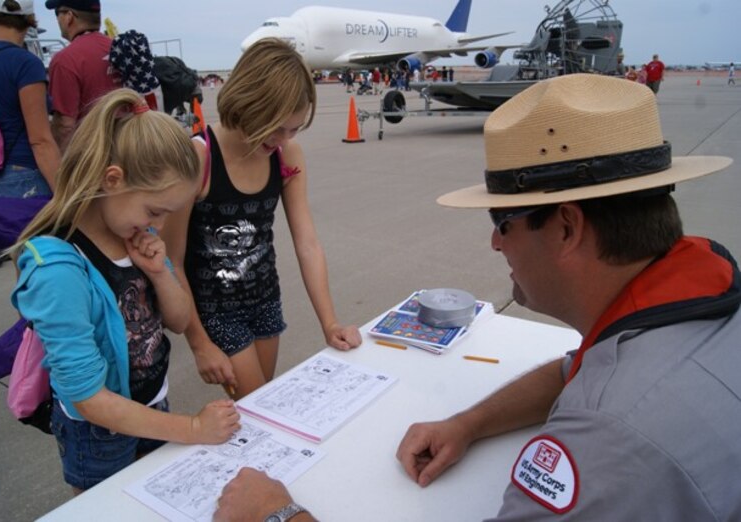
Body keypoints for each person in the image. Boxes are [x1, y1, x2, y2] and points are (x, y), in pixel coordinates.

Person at [213, 74, 740, 521]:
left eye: (501, 221)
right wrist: (469, 423)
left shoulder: (610, 437)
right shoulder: (698, 297)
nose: (493, 242)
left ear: (566, 228)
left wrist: (279, 515)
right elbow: (573, 369)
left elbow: (601, 408)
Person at [10, 88, 241, 493]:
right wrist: (190, 427)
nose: (158, 225)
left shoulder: (137, 237)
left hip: (153, 402)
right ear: (112, 179)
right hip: (98, 433)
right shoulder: (59, 270)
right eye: (154, 211)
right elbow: (88, 398)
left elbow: (179, 319)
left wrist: (160, 273)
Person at [162, 38, 361, 401]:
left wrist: (329, 322)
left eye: (294, 129)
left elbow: (307, 242)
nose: (284, 139)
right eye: (276, 127)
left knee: (261, 402)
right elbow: (171, 258)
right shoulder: (198, 157)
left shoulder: (286, 154)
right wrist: (199, 342)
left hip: (266, 298)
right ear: (247, 104)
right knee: (257, 408)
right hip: (215, 309)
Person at [0, 0, 60, 274]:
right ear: (30, 19)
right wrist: (66, 194)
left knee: (24, 267)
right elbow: (40, 139)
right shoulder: (25, 63)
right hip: (27, 174)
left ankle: (29, 317)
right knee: (47, 264)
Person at [44, 0, 121, 151]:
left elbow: (65, 125)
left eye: (57, 13)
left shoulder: (65, 60)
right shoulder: (120, 49)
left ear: (69, 16)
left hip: (93, 157)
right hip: (127, 152)